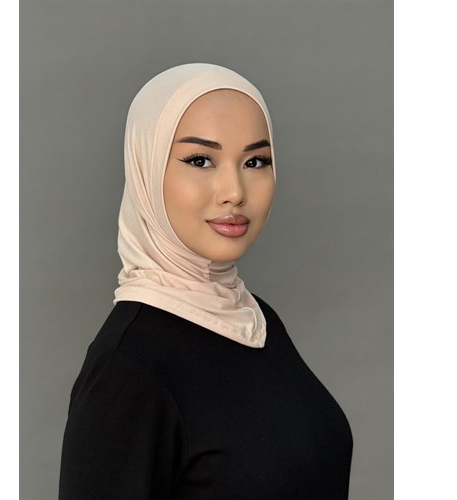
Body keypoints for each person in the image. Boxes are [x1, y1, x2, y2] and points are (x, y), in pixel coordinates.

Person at [58, 63, 353, 499]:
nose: (234, 191)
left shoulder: (254, 321)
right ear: (146, 170)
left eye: (255, 161)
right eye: (200, 160)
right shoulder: (127, 369)